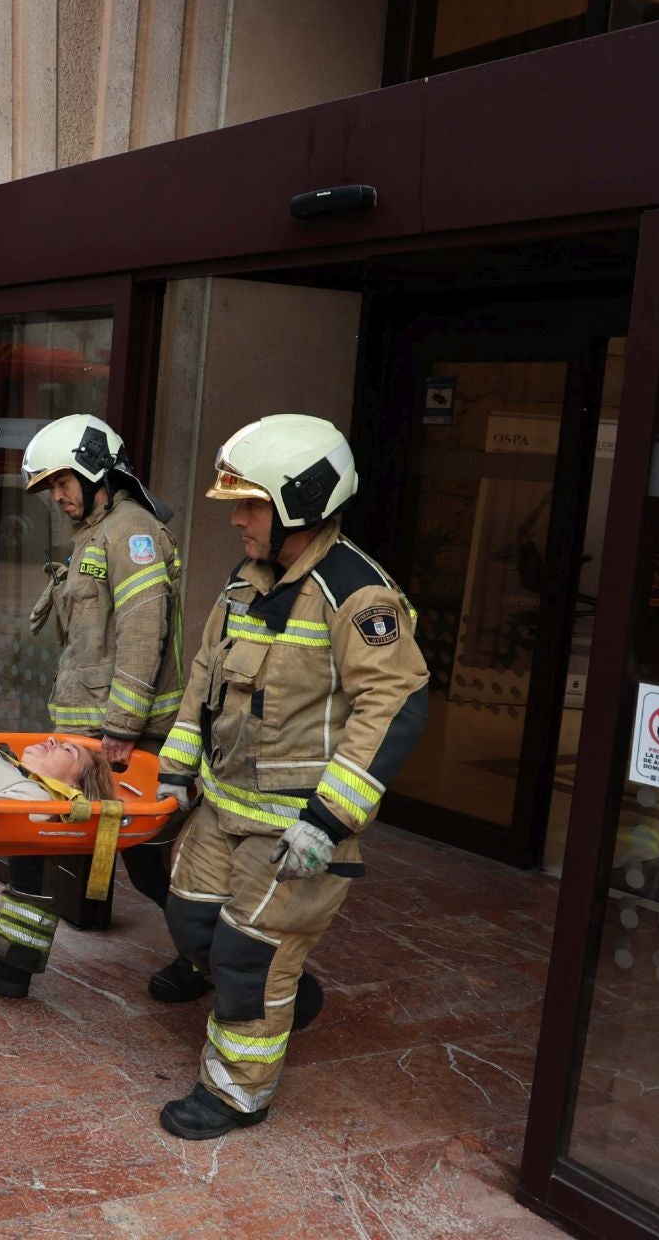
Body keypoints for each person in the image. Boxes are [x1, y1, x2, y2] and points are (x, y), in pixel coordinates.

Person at [148, 414, 428, 1140]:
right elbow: (205, 677)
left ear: (300, 502)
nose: (238, 520)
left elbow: (394, 705)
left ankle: (238, 1093)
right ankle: (290, 993)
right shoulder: (246, 583)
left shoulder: (359, 596)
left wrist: (329, 822)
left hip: (297, 827)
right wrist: (175, 771)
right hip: (223, 807)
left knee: (248, 956)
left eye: (251, 505)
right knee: (190, 920)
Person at [0, 414, 185, 998]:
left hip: (121, 739)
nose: (57, 496)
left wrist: (121, 728)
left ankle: (210, 958)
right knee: (33, 836)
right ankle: (9, 960)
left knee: (150, 862)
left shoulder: (133, 534)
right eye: (49, 487)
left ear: (98, 471)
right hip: (83, 731)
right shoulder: (97, 532)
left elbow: (144, 636)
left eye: (63, 482)